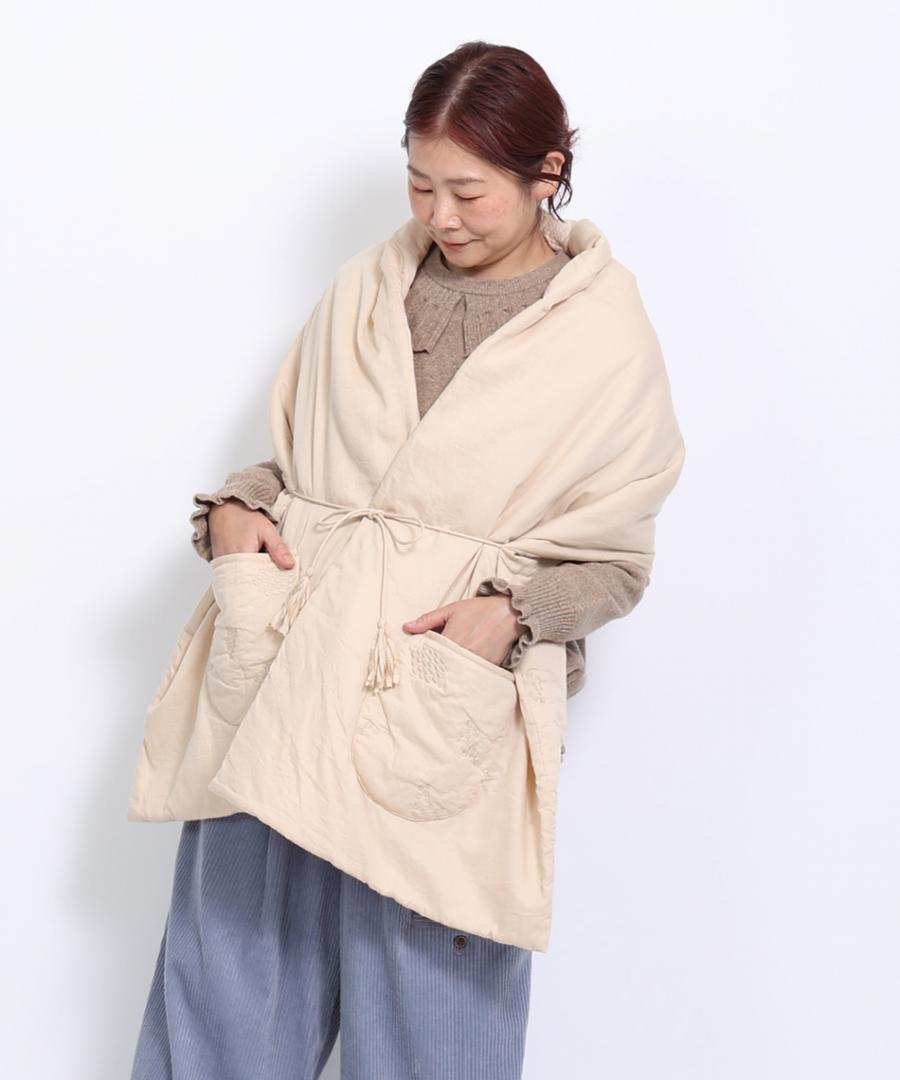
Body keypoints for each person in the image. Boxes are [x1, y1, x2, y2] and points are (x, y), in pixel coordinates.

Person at [129, 40, 685, 1080]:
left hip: (438, 710)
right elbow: (300, 462)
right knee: (225, 1011)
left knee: (435, 1035)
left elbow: (616, 562)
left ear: (549, 171)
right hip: (286, 680)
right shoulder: (366, 286)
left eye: (468, 192)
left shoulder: (604, 336)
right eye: (421, 185)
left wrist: (508, 615)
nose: (441, 217)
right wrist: (239, 510)